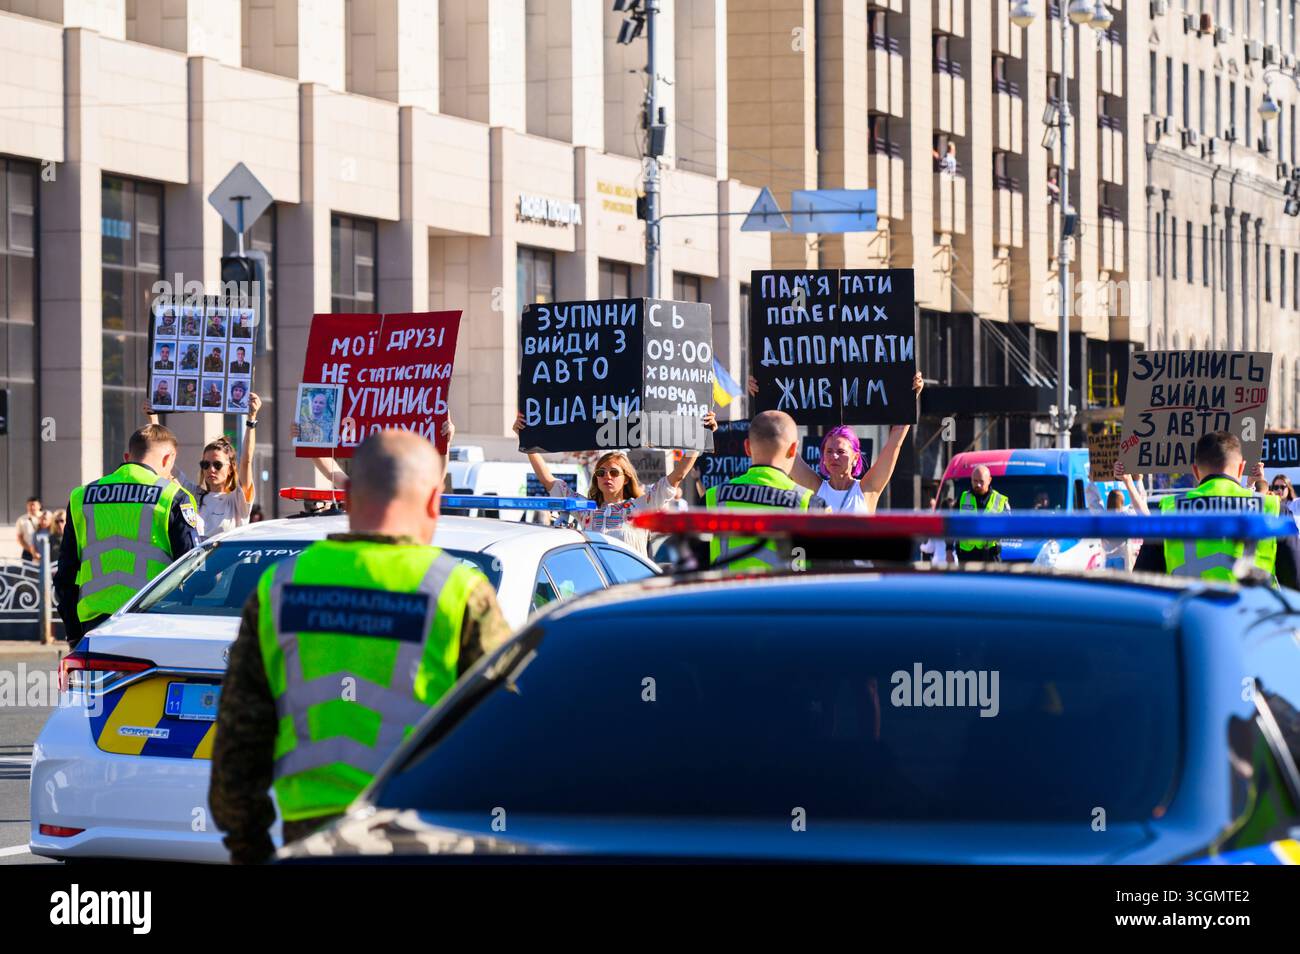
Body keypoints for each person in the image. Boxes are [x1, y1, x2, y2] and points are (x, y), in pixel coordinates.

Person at [209, 429, 512, 864]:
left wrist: (250, 848)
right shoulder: (459, 592)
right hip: (426, 838)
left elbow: (239, 741)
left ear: (347, 496)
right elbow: (505, 734)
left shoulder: (279, 587)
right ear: (433, 500)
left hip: (311, 838)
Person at [53, 424, 200, 648]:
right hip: (154, 622)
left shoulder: (82, 496)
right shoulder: (174, 497)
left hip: (95, 624)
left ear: (127, 456)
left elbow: (65, 574)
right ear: (168, 459)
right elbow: (192, 571)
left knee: (100, 685)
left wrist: (74, 633)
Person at [513, 411, 718, 558]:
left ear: (626, 477)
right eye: (601, 473)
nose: (606, 477)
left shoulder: (642, 506)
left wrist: (701, 438)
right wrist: (526, 438)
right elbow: (549, 481)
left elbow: (678, 475)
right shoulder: (586, 510)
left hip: (632, 595)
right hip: (595, 594)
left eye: (613, 472)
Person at [745, 372, 924, 513]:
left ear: (855, 457)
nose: (834, 456)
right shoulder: (815, 488)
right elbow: (783, 443)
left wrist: (910, 397)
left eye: (841, 451)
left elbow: (895, 441)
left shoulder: (867, 488)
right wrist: (763, 396)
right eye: (828, 451)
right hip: (823, 561)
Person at [1138, 431, 1283, 584]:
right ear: (1241, 469)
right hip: (1255, 606)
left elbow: (1143, 582)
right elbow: (1295, 577)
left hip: (1189, 605)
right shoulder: (1271, 507)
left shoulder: (1169, 510)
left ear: (1195, 471)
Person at [704, 410, 830, 571]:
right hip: (786, 596)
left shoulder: (715, 496)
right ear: (793, 449)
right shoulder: (813, 504)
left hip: (728, 594)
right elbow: (824, 574)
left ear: (747, 447)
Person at [146, 394, 262, 540]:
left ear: (231, 468)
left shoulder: (237, 501)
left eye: (217, 465)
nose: (210, 469)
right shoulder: (193, 495)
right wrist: (154, 419)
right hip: (196, 562)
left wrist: (251, 419)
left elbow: (246, 461)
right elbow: (166, 463)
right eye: (205, 464)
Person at [954, 464, 1010, 562]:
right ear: (971, 480)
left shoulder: (1000, 500)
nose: (978, 485)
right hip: (967, 556)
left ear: (989, 480)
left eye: (981, 481)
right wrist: (949, 550)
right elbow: (951, 524)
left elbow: (1009, 526)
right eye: (975, 481)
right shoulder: (963, 498)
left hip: (991, 555)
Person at [16, 496, 43, 562]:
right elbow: (19, 538)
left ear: (39, 506)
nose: (31, 507)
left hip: (44, 550)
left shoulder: (46, 517)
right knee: (28, 571)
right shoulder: (21, 520)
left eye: (33, 505)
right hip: (28, 552)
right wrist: (31, 550)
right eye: (29, 505)